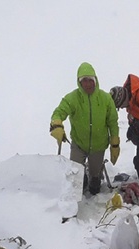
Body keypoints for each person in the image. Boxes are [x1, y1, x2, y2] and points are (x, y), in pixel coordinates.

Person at [50, 62, 120, 195]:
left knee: (95, 186)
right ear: (79, 82)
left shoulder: (105, 99)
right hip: (79, 144)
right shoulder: (72, 98)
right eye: (84, 81)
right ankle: (82, 180)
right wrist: (56, 125)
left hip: (99, 145)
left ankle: (95, 175)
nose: (88, 84)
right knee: (77, 180)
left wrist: (114, 144)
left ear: (96, 80)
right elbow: (59, 112)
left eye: (90, 80)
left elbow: (112, 122)